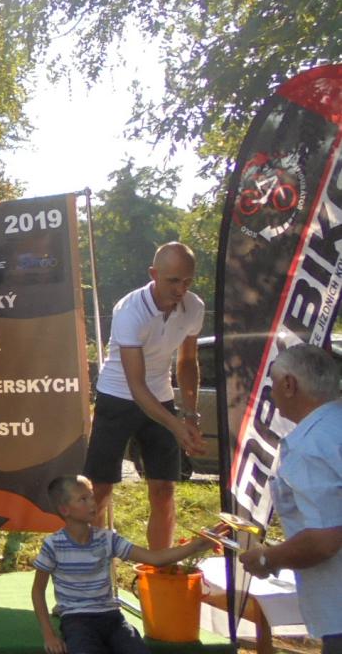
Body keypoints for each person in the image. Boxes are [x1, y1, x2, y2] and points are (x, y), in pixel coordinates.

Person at [84, 242, 206, 551]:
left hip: (161, 397)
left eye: (187, 281)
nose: (181, 289)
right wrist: (177, 426)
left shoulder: (195, 307)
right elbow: (136, 386)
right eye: (173, 280)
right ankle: (91, 565)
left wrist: (190, 415)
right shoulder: (130, 311)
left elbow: (187, 362)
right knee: (99, 491)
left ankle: (160, 565)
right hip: (117, 397)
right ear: (153, 274)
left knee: (164, 489)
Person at [32, 474, 219, 654]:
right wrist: (49, 636)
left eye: (91, 496)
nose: (92, 503)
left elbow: (155, 558)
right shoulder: (53, 545)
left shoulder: (107, 539)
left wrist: (197, 545)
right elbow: (37, 592)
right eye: (83, 499)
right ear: (65, 510)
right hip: (76, 620)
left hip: (112, 617)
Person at [239, 344, 342, 652]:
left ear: (289, 384)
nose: (271, 393)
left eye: (272, 383)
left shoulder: (311, 446)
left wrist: (268, 558)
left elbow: (324, 540)